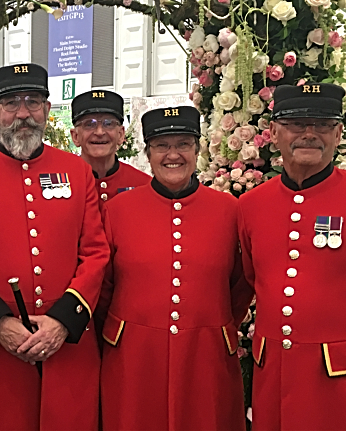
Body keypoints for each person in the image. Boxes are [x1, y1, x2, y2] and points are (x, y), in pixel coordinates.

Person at [0, 63, 109, 430]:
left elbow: (95, 253)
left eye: (33, 102)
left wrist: (63, 322)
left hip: (69, 350)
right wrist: (0, 324)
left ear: (48, 110)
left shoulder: (76, 172)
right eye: (11, 103)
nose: (23, 113)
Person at [238, 83, 346, 429]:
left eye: (323, 124)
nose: (309, 134)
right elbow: (256, 279)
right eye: (296, 124)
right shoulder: (252, 205)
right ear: (273, 132)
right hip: (278, 378)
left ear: (339, 132)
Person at [98, 106, 250, 430]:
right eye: (162, 146)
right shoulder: (117, 210)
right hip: (134, 359)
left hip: (206, 356)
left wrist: (212, 325)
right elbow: (103, 287)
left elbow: (240, 284)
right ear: (148, 153)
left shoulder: (230, 210)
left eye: (183, 144)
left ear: (197, 150)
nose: (173, 155)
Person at [70, 90, 150, 209]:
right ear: (75, 136)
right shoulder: (64, 182)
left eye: (108, 124)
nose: (99, 132)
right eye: (89, 124)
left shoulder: (143, 185)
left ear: (121, 134)